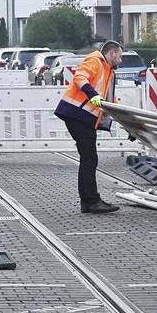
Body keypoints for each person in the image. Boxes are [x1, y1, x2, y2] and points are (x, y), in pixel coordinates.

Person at [55, 40, 123, 214]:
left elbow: (106, 98)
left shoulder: (108, 70)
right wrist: (93, 95)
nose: (121, 60)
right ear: (113, 53)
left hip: (82, 117)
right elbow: (80, 77)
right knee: (89, 158)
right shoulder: (95, 60)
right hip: (77, 114)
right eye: (120, 56)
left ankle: (88, 201)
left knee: (88, 157)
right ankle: (91, 201)